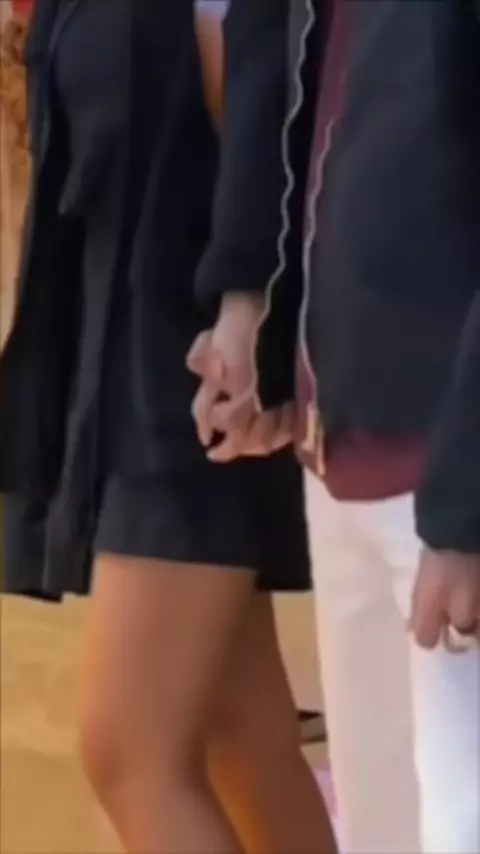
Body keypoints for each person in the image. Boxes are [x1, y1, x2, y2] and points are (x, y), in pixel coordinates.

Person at [0, 2, 337, 853]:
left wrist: (248, 311)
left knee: (131, 750)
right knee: (238, 732)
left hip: (194, 373)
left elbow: (271, 130)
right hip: (133, 369)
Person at [188, 1, 480, 852]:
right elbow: (293, 104)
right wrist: (261, 324)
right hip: (340, 451)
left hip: (444, 472)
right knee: (381, 824)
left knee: (457, 820)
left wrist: (466, 508)